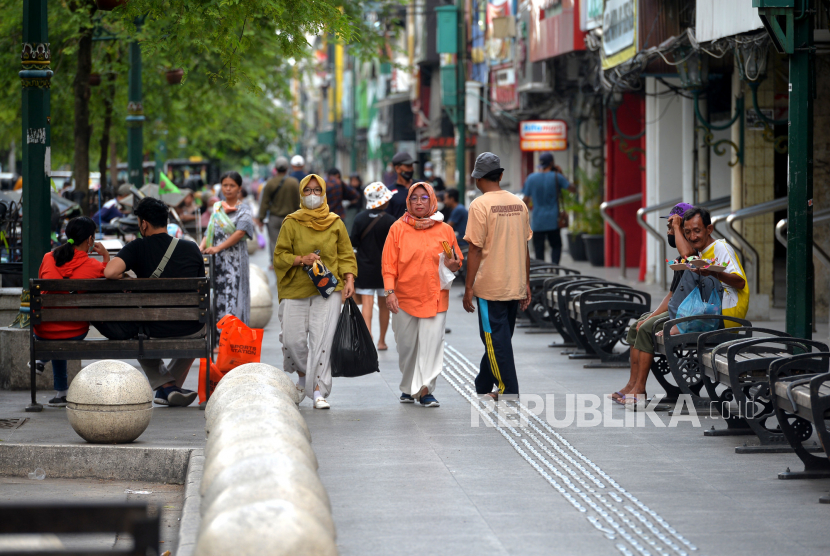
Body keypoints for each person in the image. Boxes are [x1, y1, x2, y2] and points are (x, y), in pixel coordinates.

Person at [97, 197, 206, 407]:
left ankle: (166, 386)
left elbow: (110, 272)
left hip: (153, 327)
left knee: (134, 333)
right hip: (192, 327)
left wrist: (127, 278)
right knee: (202, 328)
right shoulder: (191, 248)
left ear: (143, 223)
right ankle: (169, 387)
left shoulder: (138, 247)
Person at [273, 174, 357, 410]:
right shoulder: (291, 222)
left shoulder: (335, 222)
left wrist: (349, 278)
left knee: (322, 341)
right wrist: (301, 259)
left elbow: (346, 254)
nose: (312, 196)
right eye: (307, 191)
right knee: (292, 340)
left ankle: (318, 390)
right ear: (301, 194)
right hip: (295, 287)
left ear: (324, 193)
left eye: (316, 191)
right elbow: (279, 256)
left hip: (329, 289)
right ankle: (302, 375)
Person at [383, 182, 462, 407]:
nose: (419, 202)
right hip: (404, 297)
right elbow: (388, 264)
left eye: (424, 198)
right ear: (408, 201)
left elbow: (456, 263)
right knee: (406, 346)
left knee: (432, 345)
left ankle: (426, 389)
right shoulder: (397, 228)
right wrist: (390, 292)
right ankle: (408, 387)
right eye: (415, 198)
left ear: (432, 200)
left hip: (435, 296)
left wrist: (453, 263)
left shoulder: (444, 229)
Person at [610, 203, 695, 404]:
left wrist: (651, 319)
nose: (669, 232)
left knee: (648, 327)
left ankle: (640, 389)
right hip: (678, 308)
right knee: (637, 325)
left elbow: (689, 257)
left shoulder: (693, 254)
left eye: (672, 227)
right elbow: (671, 295)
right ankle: (631, 384)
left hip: (690, 312)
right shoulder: (678, 258)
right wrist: (652, 314)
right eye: (669, 227)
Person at [462, 153, 532, 400]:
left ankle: (508, 391)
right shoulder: (519, 203)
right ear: (501, 175)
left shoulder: (479, 205)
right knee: (500, 338)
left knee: (494, 339)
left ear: (477, 179)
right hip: (513, 282)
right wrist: (526, 282)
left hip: (489, 286)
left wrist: (468, 287)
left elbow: (475, 249)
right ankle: (483, 382)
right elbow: (525, 246)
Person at [33, 217, 109, 407]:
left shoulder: (48, 258)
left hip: (43, 331)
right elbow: (110, 277)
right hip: (75, 331)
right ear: (90, 240)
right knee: (65, 329)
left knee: (56, 331)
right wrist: (106, 257)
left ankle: (59, 387)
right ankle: (48, 367)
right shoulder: (94, 266)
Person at [200, 171, 256, 324]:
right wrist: (200, 247)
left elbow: (240, 233)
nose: (228, 189)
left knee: (235, 295)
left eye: (232, 185)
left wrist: (218, 248)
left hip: (236, 262)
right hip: (218, 263)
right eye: (225, 185)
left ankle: (235, 339)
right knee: (219, 297)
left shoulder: (244, 209)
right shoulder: (217, 208)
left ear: (239, 188)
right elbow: (209, 230)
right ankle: (220, 340)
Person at [350, 182, 396, 351]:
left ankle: (368, 338)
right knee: (384, 305)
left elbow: (353, 243)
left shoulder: (359, 218)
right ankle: (382, 341)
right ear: (383, 200)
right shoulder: (391, 221)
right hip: (385, 270)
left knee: (367, 303)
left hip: (365, 268)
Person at [521, 153, 576, 264]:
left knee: (539, 249)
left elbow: (525, 200)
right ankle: (554, 270)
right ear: (551, 163)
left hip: (537, 221)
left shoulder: (531, 178)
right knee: (556, 246)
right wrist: (561, 174)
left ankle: (543, 274)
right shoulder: (557, 176)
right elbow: (572, 189)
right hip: (553, 220)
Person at [255, 156, 301, 267]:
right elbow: (299, 202)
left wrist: (260, 219)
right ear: (287, 168)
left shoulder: (270, 183)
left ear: (275, 168)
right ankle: (290, 261)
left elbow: (264, 203)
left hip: (274, 218)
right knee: (290, 242)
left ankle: (274, 262)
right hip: (291, 218)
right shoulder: (294, 183)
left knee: (274, 242)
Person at [386, 152, 416, 219]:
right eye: (408, 166)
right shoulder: (389, 192)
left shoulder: (420, 185)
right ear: (397, 168)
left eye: (412, 166)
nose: (411, 169)